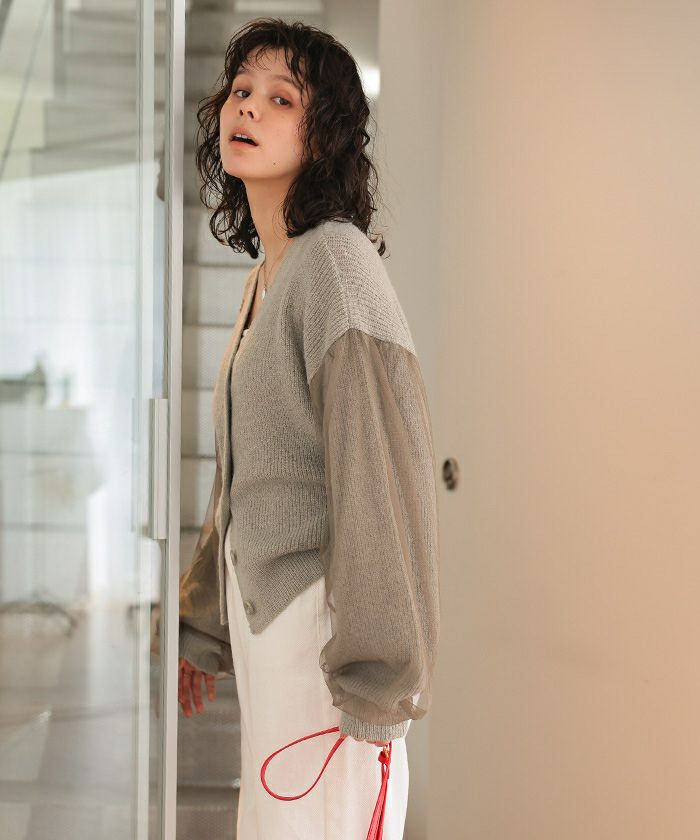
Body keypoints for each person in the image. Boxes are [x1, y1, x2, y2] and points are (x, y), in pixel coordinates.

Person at [166, 17, 441, 839]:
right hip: (272, 629)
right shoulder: (269, 277)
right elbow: (246, 470)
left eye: (281, 98)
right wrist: (204, 619)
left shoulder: (334, 265)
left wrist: (379, 675)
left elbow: (381, 471)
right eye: (240, 90)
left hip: (327, 639)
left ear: (322, 135)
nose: (248, 107)